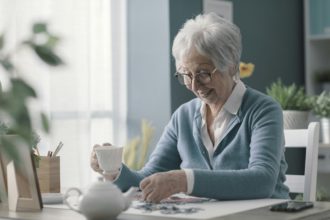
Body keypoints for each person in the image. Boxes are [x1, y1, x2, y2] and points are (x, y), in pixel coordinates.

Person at [90, 13, 290, 203]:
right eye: (186, 74)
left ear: (231, 66)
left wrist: (185, 180)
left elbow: (262, 181)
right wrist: (114, 170)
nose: (194, 86)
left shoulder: (263, 110)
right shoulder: (183, 117)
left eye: (203, 73)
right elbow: (146, 181)